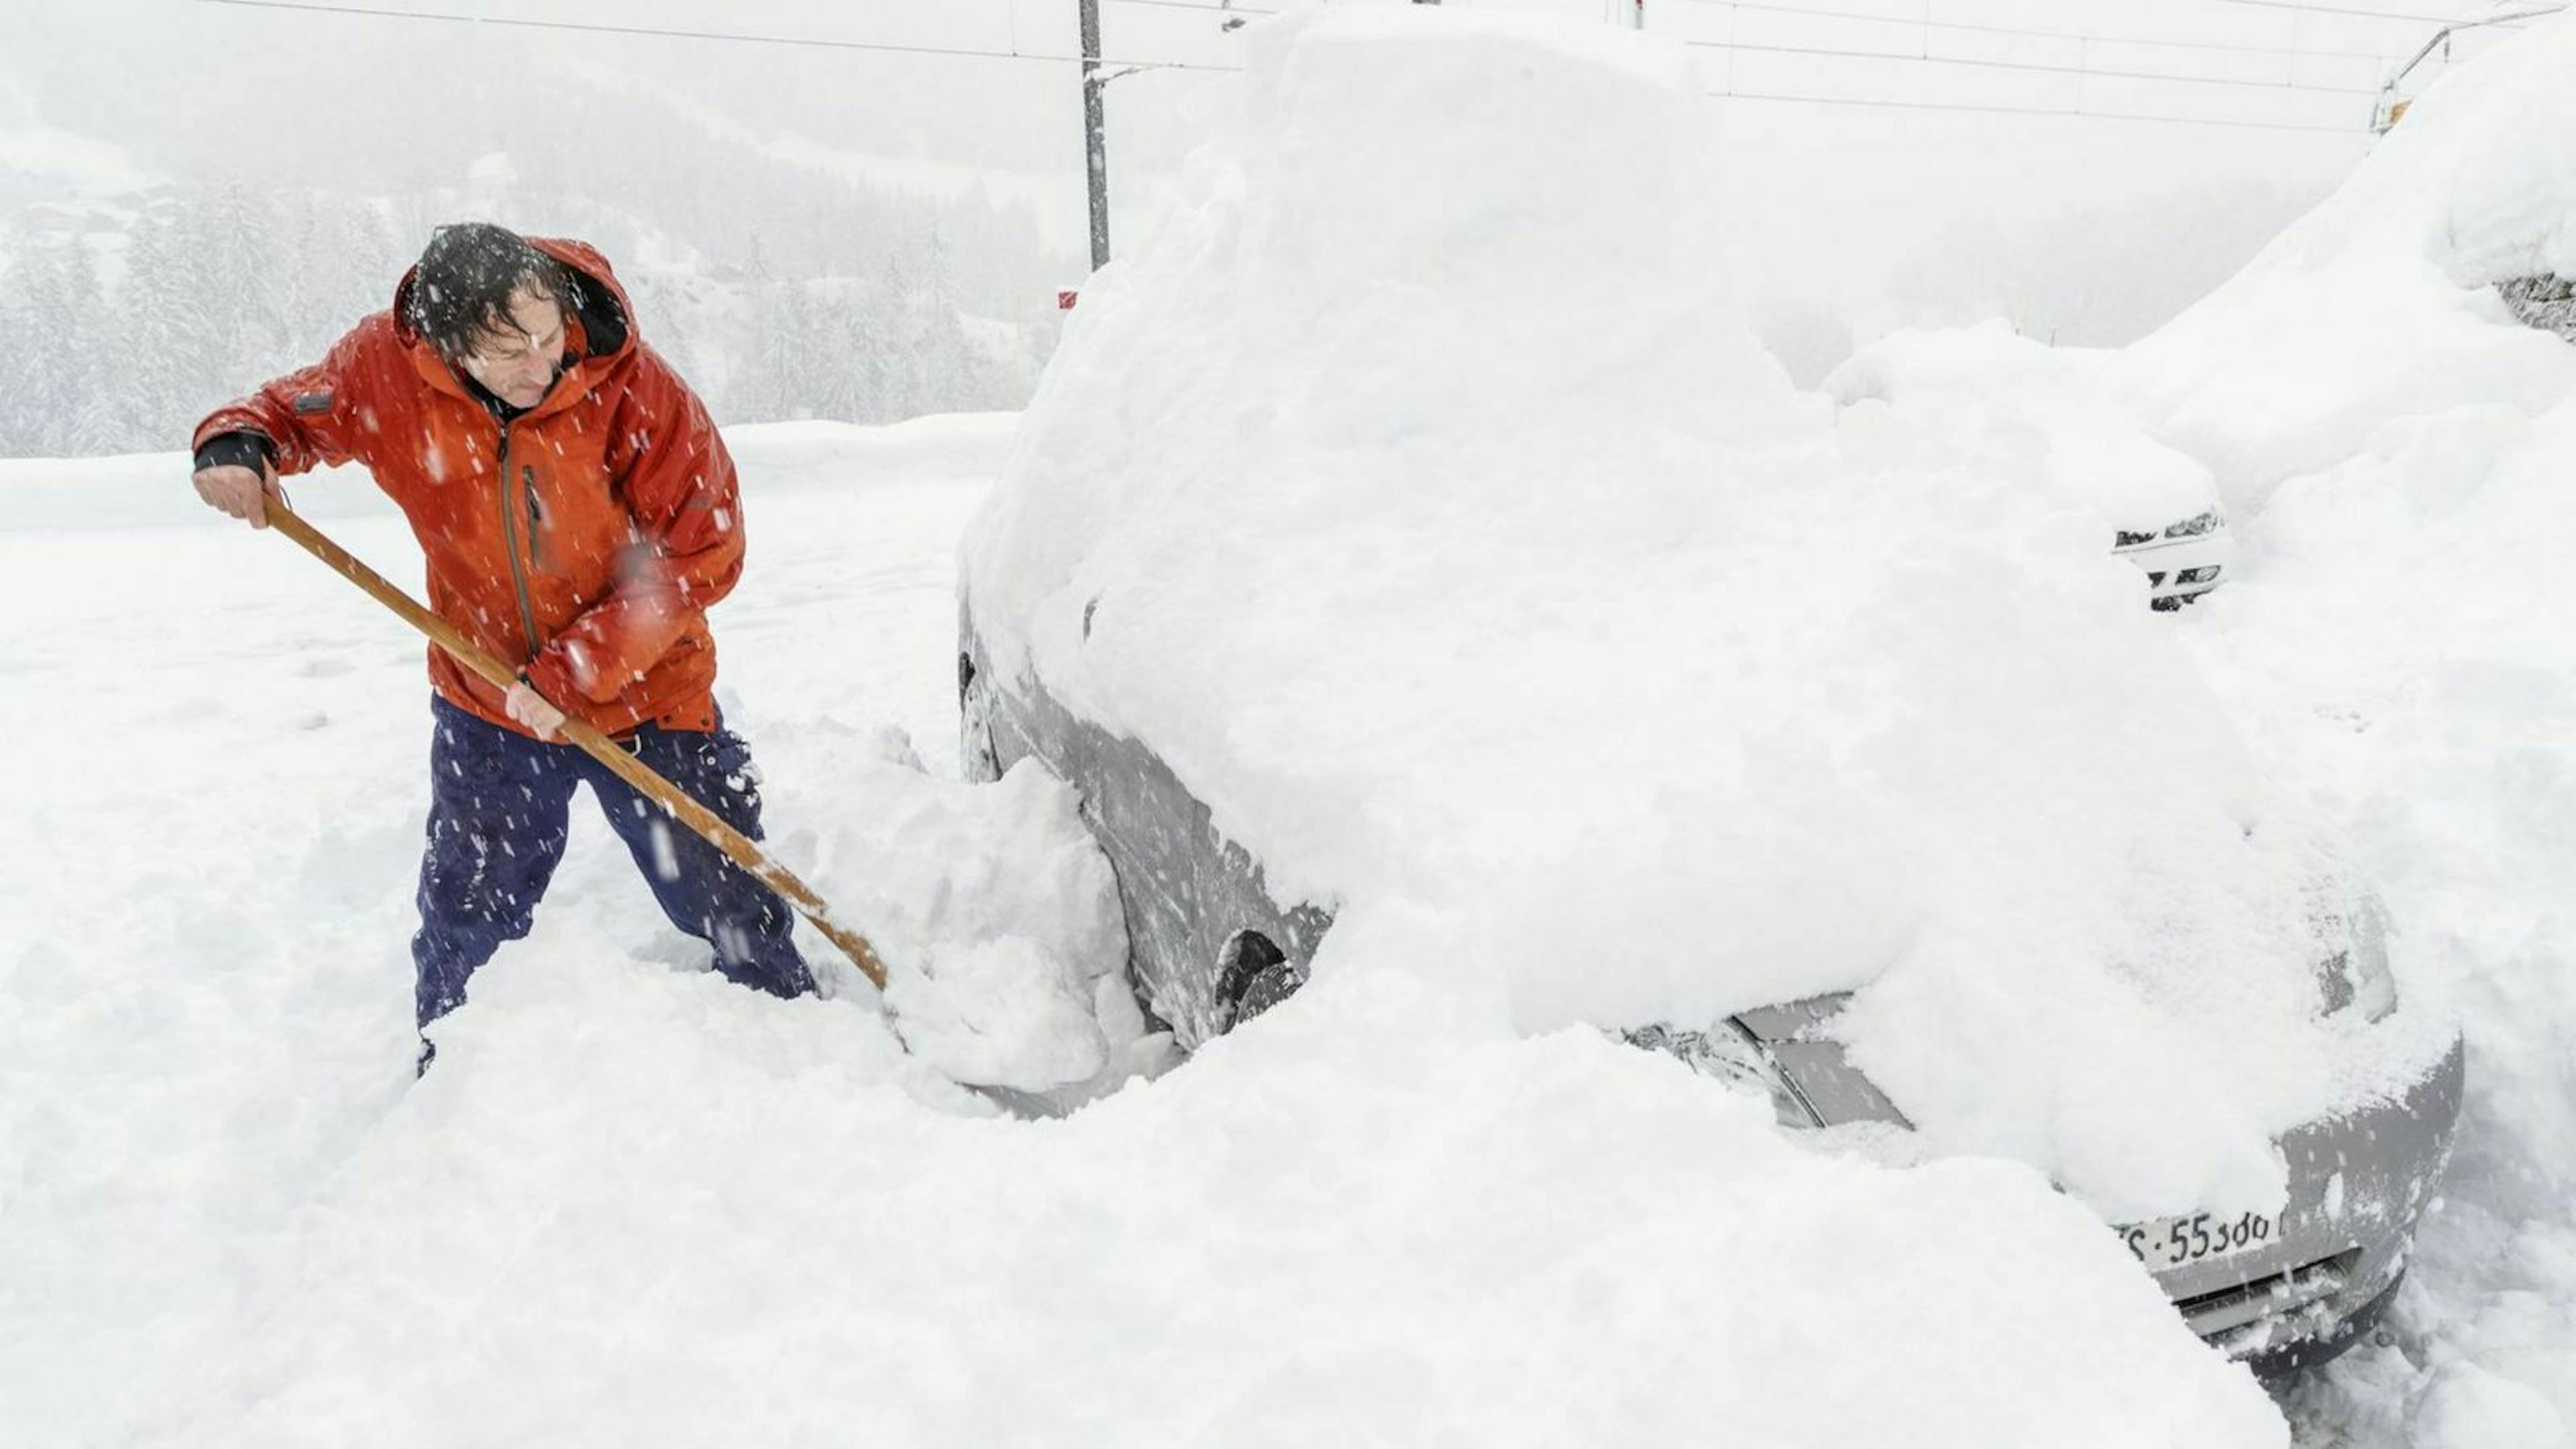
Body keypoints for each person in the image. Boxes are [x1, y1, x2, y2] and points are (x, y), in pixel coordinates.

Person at [189, 223, 814, 1071]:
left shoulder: (629, 382)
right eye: (507, 352)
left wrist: (578, 669)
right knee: (471, 913)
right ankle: (457, 1080)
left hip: (647, 697)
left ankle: (805, 1052)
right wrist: (239, 441)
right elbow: (290, 412)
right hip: (488, 703)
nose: (541, 366)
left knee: (726, 893)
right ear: (447, 349)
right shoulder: (386, 366)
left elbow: (705, 545)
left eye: (549, 338)